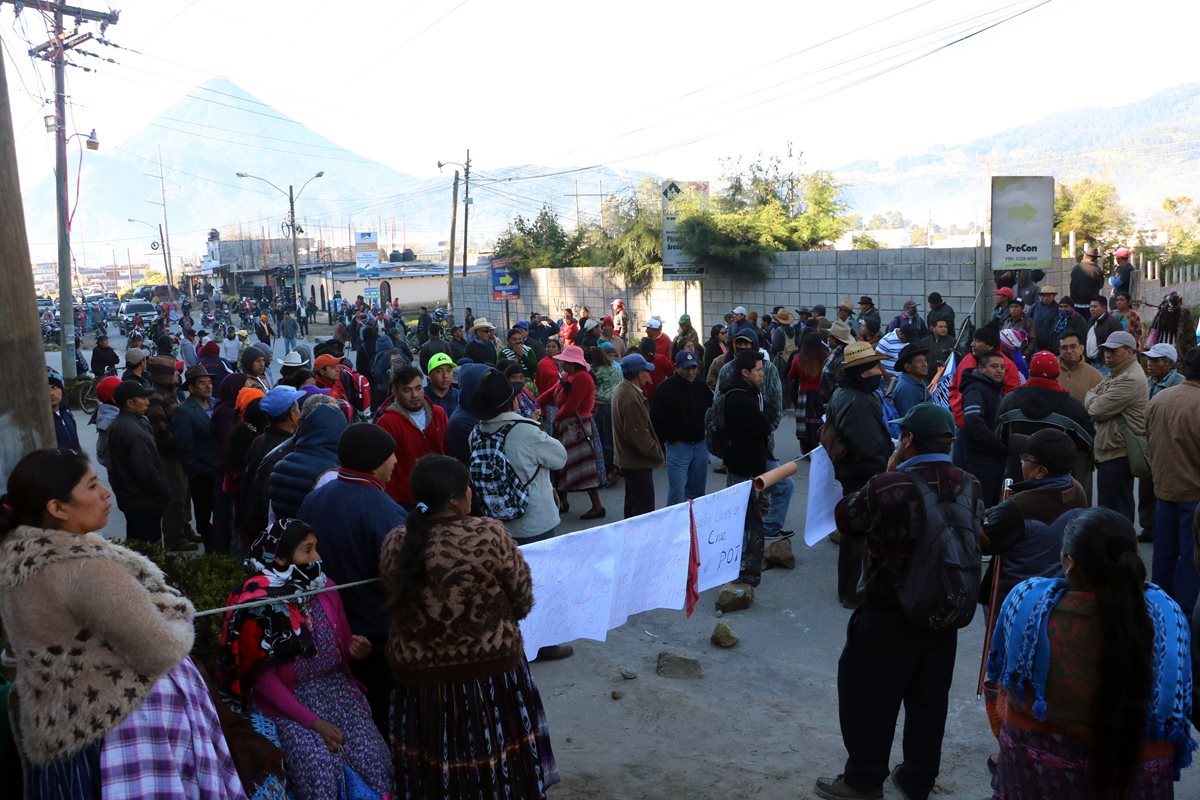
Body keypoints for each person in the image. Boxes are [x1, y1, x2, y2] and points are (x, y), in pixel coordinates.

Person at [0, 448, 245, 798]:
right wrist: (178, 619)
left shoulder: (20, 557)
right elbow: (159, 648)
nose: (105, 493)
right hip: (117, 729)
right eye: (93, 485)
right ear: (58, 508)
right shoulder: (84, 568)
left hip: (62, 726)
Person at [815, 403, 984, 800]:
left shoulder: (889, 485)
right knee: (929, 701)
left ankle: (863, 779)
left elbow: (847, 519)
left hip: (889, 609)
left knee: (868, 696)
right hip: (944, 608)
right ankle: (918, 778)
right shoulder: (971, 483)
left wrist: (887, 471)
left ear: (907, 440)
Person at [380, 455, 558, 797]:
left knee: (438, 756)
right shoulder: (489, 533)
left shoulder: (396, 543)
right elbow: (521, 599)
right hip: (490, 676)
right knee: (496, 752)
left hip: (421, 683)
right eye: (467, 489)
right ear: (455, 499)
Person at [985, 509, 1195, 799]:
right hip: (1136, 775)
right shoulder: (1168, 617)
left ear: (1069, 564)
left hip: (1032, 774)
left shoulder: (1026, 603)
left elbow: (1001, 695)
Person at [219, 519, 393, 800]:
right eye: (308, 550)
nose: (317, 558)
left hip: (335, 692)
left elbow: (344, 638)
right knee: (319, 766)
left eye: (316, 549)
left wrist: (353, 647)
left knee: (373, 756)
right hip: (288, 702)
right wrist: (315, 724)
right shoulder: (259, 603)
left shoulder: (325, 588)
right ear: (279, 558)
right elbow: (265, 682)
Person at [296, 424, 406, 737]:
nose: (396, 461)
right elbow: (403, 576)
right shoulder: (383, 510)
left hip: (331, 628)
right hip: (377, 633)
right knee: (387, 719)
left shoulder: (314, 499)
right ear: (375, 461)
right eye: (390, 455)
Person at [979, 428, 1088, 606]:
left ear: (1040, 472)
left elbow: (984, 539)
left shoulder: (1020, 506)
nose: (1020, 460)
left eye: (1025, 457)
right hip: (1059, 592)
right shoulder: (1076, 489)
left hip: (1016, 597)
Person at [721, 349, 796, 581]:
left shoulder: (750, 392)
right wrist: (768, 414)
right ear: (745, 372)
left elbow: (763, 423)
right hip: (743, 465)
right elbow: (763, 426)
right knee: (743, 517)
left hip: (757, 460)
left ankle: (758, 545)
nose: (762, 374)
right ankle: (740, 564)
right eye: (758, 370)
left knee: (784, 487)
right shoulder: (738, 396)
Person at [471, 370, 568, 542]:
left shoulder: (476, 433)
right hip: (533, 522)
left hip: (495, 523)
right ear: (514, 403)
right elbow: (560, 458)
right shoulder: (527, 432)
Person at [1145, 345, 1200, 613]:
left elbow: (1150, 442)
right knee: (1191, 561)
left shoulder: (1159, 399)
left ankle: (1159, 612)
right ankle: (1182, 617)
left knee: (1163, 557)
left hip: (1164, 489)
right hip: (1193, 494)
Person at [1083, 330, 1147, 522]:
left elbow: (1096, 409)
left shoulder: (1129, 379)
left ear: (1129, 351)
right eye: (1106, 351)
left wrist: (1092, 398)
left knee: (1115, 512)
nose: (1108, 356)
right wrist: (1093, 397)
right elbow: (1091, 393)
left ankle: (1120, 550)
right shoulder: (1116, 374)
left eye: (1113, 351)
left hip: (1117, 452)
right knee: (1110, 509)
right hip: (1111, 449)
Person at [538, 344, 606, 518]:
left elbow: (572, 406)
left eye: (566, 361)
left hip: (579, 427)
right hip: (568, 426)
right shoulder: (569, 376)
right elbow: (550, 393)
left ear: (574, 363)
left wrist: (556, 419)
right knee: (562, 464)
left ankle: (597, 506)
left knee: (585, 466)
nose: (563, 364)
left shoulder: (582, 378)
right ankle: (563, 501)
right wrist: (535, 404)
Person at [374, 366, 449, 509]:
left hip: (440, 495)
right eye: (407, 390)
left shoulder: (439, 414)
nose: (414, 395)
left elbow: (447, 451)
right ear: (395, 391)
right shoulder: (387, 423)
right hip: (405, 501)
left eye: (418, 388)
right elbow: (384, 468)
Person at [108, 380, 173, 543]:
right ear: (130, 403)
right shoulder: (133, 431)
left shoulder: (126, 423)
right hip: (143, 501)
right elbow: (146, 472)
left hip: (133, 499)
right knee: (149, 545)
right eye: (143, 398)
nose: (148, 402)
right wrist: (163, 490)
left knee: (138, 543)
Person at [268, 403, 348, 521]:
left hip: (283, 536)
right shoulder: (330, 475)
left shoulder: (281, 464)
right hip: (312, 538)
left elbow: (272, 517)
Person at [174, 365, 219, 547]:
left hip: (219, 471)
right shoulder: (184, 411)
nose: (208, 386)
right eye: (202, 383)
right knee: (203, 514)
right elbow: (184, 446)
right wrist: (195, 472)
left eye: (209, 383)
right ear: (191, 388)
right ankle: (210, 549)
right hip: (202, 474)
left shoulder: (216, 403)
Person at [960, 351, 1008, 506]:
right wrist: (998, 445)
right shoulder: (976, 390)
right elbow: (973, 422)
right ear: (981, 369)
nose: (999, 370)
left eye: (1002, 367)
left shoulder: (994, 389)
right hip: (980, 461)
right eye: (994, 366)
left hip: (993, 460)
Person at [788, 327, 830, 453]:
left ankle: (806, 450)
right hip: (822, 394)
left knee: (804, 423)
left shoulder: (798, 359)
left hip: (804, 394)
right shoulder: (826, 357)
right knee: (821, 420)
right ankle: (822, 446)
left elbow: (790, 376)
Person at [589, 344, 623, 476]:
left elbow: (593, 389)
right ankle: (616, 466)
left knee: (604, 438)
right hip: (616, 405)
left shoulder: (597, 370)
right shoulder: (615, 367)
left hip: (603, 407)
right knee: (614, 437)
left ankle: (608, 469)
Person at [1056, 329, 1103, 406]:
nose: (1069, 351)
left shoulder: (1096, 377)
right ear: (1059, 351)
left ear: (1081, 349)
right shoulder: (1051, 371)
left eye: (1073, 347)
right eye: (1064, 348)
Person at [890, 343, 931, 416]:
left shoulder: (919, 381)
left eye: (925, 360)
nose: (925, 364)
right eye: (919, 361)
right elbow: (909, 420)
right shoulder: (906, 388)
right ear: (908, 367)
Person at [1086, 294, 1123, 368]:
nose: (1091, 309)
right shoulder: (1091, 321)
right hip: (1090, 363)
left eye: (1095, 306)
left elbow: (1117, 345)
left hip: (1104, 364)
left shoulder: (1113, 323)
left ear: (1104, 307)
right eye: (1090, 306)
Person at [47, 368, 80, 452]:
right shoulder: (42, 421)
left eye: (53, 387)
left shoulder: (67, 414)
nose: (51, 393)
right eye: (45, 388)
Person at [1068, 244, 1105, 317]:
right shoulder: (1097, 270)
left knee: (1077, 326)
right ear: (1095, 259)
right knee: (1089, 326)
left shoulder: (1076, 268)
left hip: (1075, 303)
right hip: (1090, 305)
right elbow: (1101, 285)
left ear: (1085, 256)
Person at [535, 338, 563, 431]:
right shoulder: (543, 363)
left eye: (553, 347)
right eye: (548, 347)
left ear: (559, 349)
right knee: (551, 424)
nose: (550, 349)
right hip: (550, 399)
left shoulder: (563, 362)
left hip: (562, 399)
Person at [423, 351, 460, 416]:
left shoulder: (459, 398)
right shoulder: (420, 397)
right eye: (439, 371)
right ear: (429, 374)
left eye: (449, 370)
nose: (445, 375)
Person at [1029, 285, 1060, 352]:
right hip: (1036, 343)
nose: (1046, 298)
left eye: (1049, 295)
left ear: (1054, 296)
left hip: (1051, 344)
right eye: (1043, 295)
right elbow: (1028, 319)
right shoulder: (1035, 306)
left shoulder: (1058, 308)